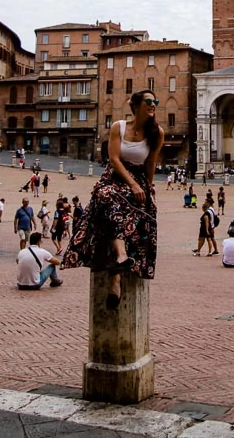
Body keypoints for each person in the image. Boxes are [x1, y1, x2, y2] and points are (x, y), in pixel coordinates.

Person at [62, 89, 163, 309]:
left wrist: (149, 190)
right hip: (115, 177)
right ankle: (122, 255)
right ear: (135, 105)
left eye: (155, 101)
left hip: (138, 179)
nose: (153, 104)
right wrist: (133, 185)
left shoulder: (157, 133)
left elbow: (150, 165)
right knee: (106, 197)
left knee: (137, 211)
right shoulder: (119, 127)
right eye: (148, 101)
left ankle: (117, 272)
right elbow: (114, 159)